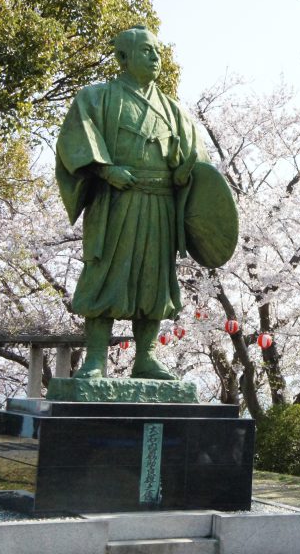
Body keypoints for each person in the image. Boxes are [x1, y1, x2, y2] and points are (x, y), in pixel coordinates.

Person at [55, 26, 208, 380]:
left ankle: (147, 356)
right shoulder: (96, 98)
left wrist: (185, 173)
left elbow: (194, 159)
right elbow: (76, 141)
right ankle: (95, 358)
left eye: (157, 51)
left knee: (153, 277)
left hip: (161, 205)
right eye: (145, 51)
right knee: (106, 272)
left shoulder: (173, 110)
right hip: (116, 200)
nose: (155, 58)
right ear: (123, 57)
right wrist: (106, 170)